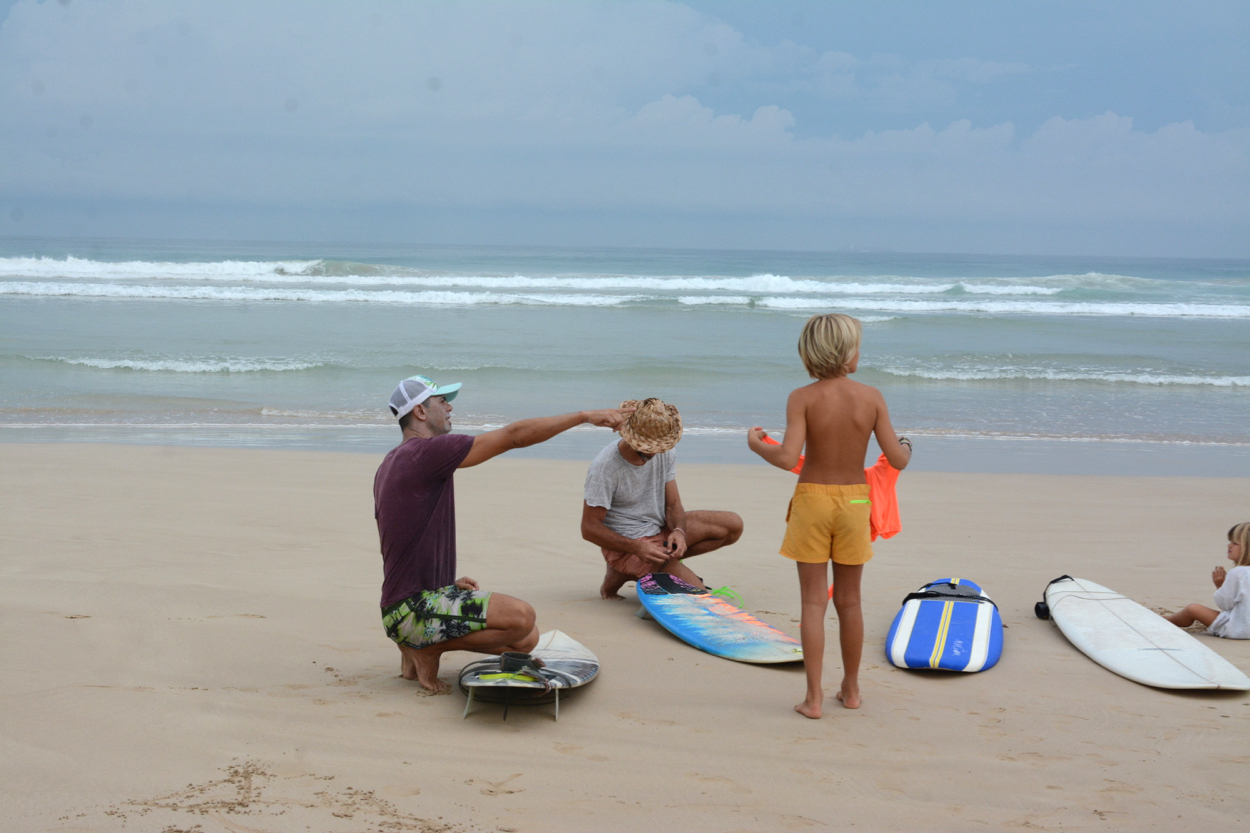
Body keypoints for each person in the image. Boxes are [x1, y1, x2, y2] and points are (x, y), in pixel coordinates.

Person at [374, 373, 631, 692]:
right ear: (420, 412)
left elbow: (403, 543)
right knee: (521, 616)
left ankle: (414, 645)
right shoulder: (425, 453)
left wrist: (445, 586)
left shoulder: (392, 462)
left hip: (402, 609)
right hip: (413, 610)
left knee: (526, 639)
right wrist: (584, 416)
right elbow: (514, 436)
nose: (450, 408)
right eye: (442, 402)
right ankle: (427, 648)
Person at [747, 313, 911, 719]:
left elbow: (787, 456)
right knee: (850, 602)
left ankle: (813, 699)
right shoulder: (871, 397)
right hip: (855, 503)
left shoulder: (801, 398)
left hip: (812, 502)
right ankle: (851, 690)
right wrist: (907, 445)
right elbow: (897, 459)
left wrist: (757, 445)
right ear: (847, 353)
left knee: (813, 602)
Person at [581, 398, 743, 601]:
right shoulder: (605, 467)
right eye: (647, 446)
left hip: (660, 531)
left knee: (732, 525)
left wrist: (679, 531)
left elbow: (673, 504)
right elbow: (589, 528)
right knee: (700, 598)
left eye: (658, 446)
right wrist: (636, 548)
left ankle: (639, 570)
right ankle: (626, 565)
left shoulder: (664, 450)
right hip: (630, 544)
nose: (655, 452)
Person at [1164, 522, 1250, 639]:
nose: (1229, 545)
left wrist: (1220, 585)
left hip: (1238, 629)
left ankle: (1165, 619)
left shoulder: (1238, 573)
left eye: (1235, 543)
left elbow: (1225, 604)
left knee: (1193, 609)